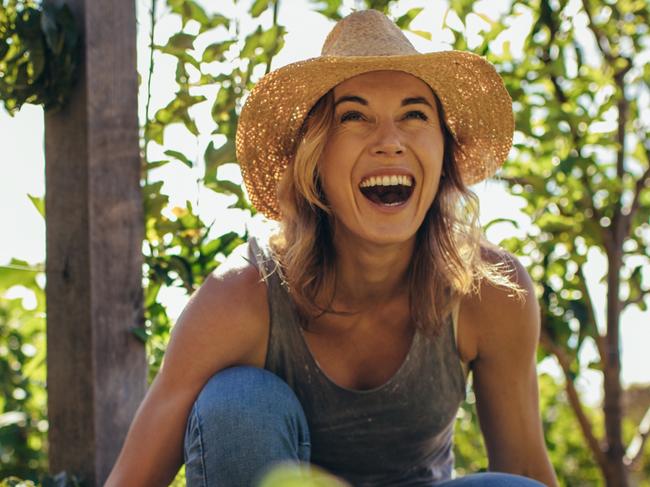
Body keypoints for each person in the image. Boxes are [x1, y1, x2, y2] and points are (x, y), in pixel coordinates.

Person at [106, 9, 559, 487]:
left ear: (444, 152)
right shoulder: (241, 299)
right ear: (315, 158)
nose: (390, 141)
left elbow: (526, 469)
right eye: (354, 116)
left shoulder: (488, 290)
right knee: (239, 403)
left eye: (414, 114)